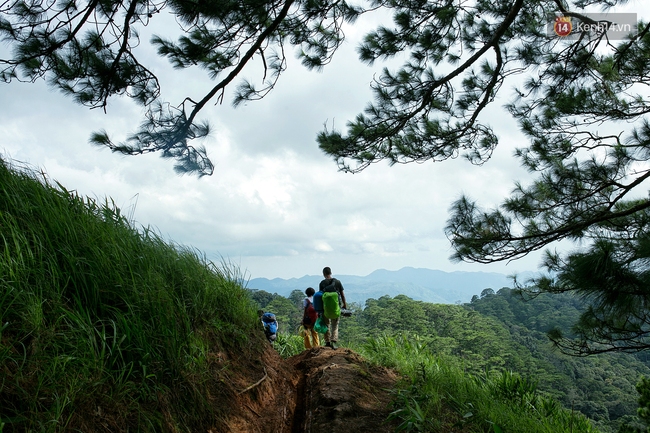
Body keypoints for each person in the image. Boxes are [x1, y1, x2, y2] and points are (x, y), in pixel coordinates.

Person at [318, 267, 347, 350]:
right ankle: (334, 341)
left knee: (326, 324)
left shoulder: (322, 283)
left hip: (325, 308)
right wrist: (344, 305)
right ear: (330, 273)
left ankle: (327, 342)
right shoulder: (337, 282)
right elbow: (342, 295)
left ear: (324, 274)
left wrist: (320, 310)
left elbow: (320, 296)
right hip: (336, 308)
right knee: (335, 325)